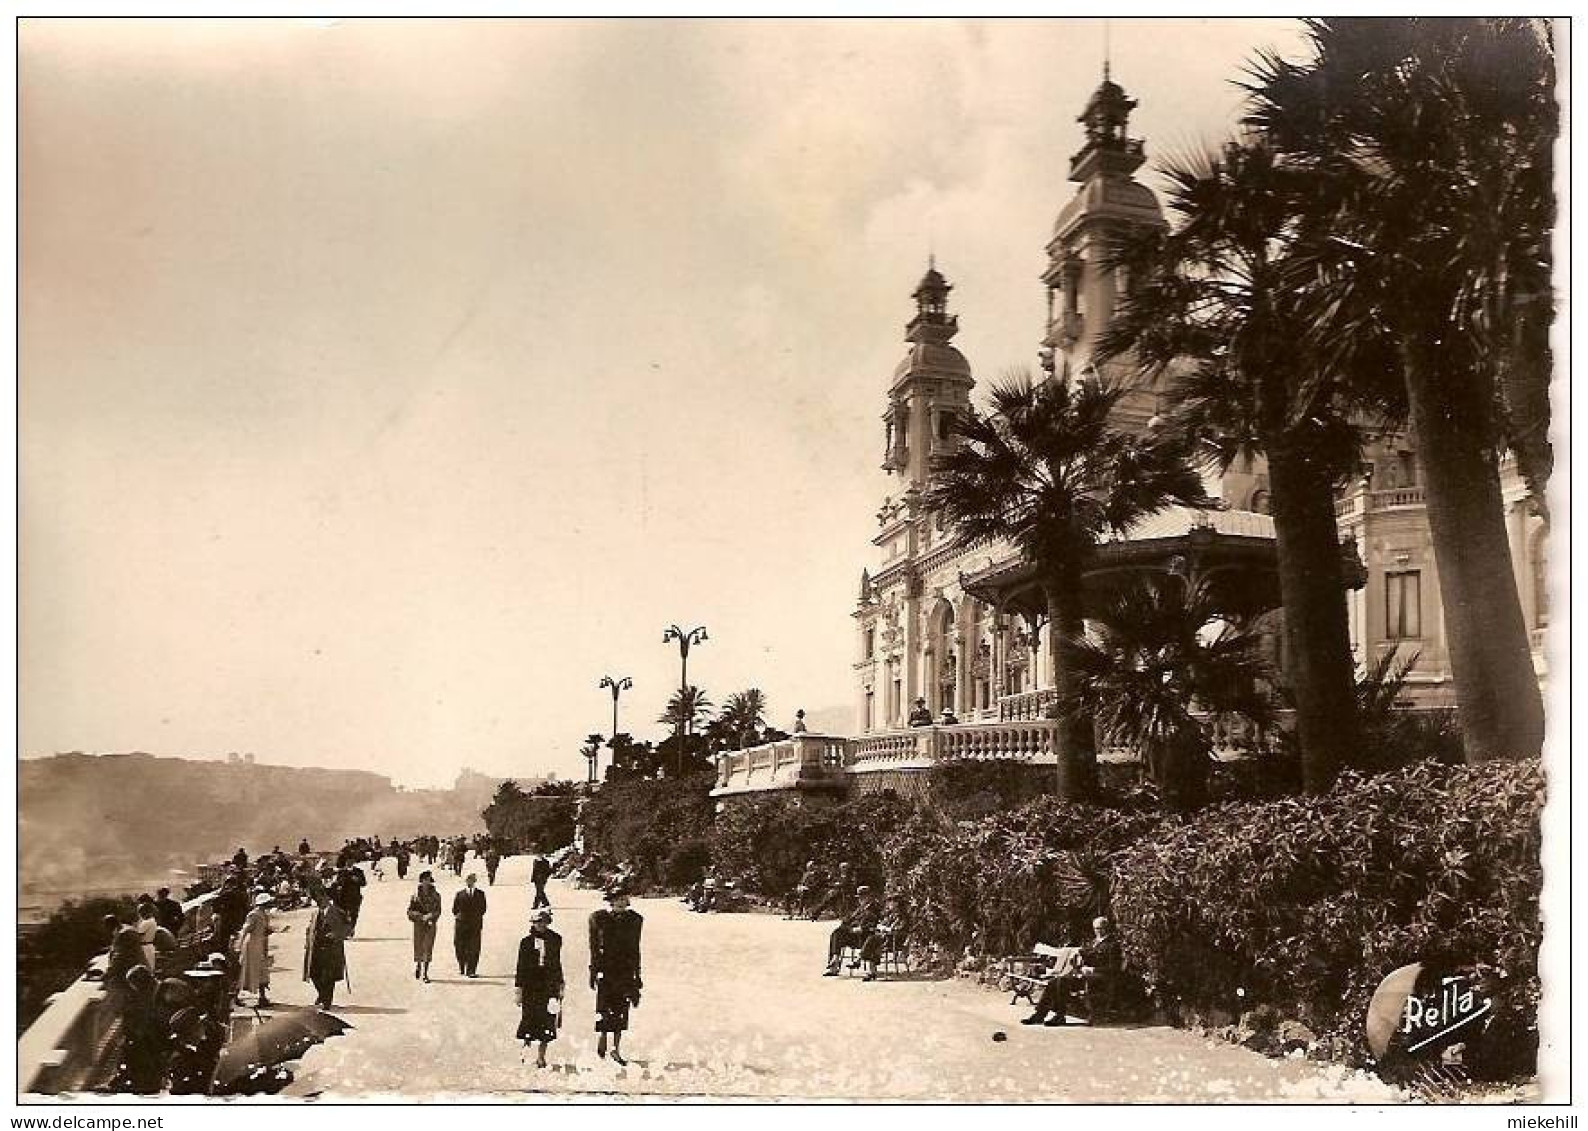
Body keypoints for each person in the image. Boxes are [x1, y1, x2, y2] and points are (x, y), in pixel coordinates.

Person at [1021, 916, 1123, 1027]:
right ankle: (1039, 1014)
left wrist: (1093, 969)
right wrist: (1078, 953)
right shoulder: (1094, 942)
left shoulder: (1112, 945)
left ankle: (1060, 1016)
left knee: (1062, 981)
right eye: (1095, 928)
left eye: (1100, 928)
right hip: (1084, 977)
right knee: (1054, 982)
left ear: (1106, 928)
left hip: (1099, 979)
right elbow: (1085, 952)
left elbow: (1114, 968)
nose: (1097, 931)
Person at [588, 884, 643, 1064]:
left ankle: (615, 1049)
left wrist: (637, 974)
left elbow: (635, 948)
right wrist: (593, 970)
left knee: (621, 1010)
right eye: (617, 899)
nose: (621, 902)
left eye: (623, 899)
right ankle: (602, 1040)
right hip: (606, 968)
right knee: (604, 1007)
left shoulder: (635, 920)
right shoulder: (598, 919)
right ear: (610, 902)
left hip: (625, 970)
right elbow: (594, 947)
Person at [515, 907, 565, 1068]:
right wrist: (519, 989)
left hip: (548, 984)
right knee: (529, 1018)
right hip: (531, 985)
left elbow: (557, 963)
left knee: (547, 1020)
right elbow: (521, 966)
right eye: (537, 922)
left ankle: (541, 1057)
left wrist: (560, 983)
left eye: (543, 922)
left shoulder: (555, 939)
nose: (541, 925)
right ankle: (525, 1053)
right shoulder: (526, 942)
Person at [116, 965, 166, 1094]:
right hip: (157, 1035)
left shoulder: (156, 994)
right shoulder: (152, 991)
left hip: (160, 1038)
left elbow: (152, 1021)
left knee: (133, 1047)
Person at [303, 890, 351, 1009]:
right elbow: (309, 929)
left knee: (328, 977)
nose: (318, 901)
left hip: (331, 949)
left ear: (327, 898)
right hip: (316, 949)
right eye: (317, 900)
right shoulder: (315, 913)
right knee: (314, 974)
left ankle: (327, 1002)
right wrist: (307, 942)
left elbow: (348, 928)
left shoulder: (337, 912)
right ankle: (322, 994)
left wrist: (336, 934)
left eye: (320, 899)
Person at [823, 885, 882, 976]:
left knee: (871, 936)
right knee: (837, 932)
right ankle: (835, 961)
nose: (860, 900)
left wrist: (861, 929)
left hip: (866, 937)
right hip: (855, 936)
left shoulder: (875, 908)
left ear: (869, 897)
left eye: (862, 897)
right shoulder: (860, 909)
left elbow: (875, 925)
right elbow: (849, 919)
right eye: (859, 898)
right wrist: (847, 925)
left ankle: (859, 963)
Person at [236, 892, 277, 1008]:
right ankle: (236, 996)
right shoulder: (253, 915)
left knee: (262, 971)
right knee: (249, 971)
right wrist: (239, 946)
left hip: (259, 943)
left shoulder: (263, 915)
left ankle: (262, 997)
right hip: (252, 946)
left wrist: (267, 930)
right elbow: (246, 930)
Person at [408, 871, 442, 982]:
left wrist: (431, 916)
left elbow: (438, 910)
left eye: (429, 880)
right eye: (425, 880)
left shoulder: (436, 895)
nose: (427, 882)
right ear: (421, 881)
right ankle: (418, 964)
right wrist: (419, 916)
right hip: (418, 924)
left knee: (428, 947)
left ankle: (425, 973)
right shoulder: (415, 896)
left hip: (430, 924)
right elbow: (409, 911)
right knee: (419, 946)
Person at [452, 873, 488, 977]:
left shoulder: (480, 894)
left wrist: (475, 917)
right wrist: (460, 916)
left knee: (474, 947)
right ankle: (462, 966)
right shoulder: (459, 894)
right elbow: (454, 909)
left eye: (472, 880)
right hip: (461, 925)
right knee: (459, 946)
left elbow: (483, 908)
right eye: (468, 880)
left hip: (475, 924)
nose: (470, 882)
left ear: (475, 881)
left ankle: (471, 970)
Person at [333, 866, 366, 934]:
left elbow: (364, 883)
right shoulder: (341, 872)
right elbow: (337, 883)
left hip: (354, 897)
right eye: (347, 860)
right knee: (343, 914)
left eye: (351, 860)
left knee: (353, 914)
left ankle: (351, 929)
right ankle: (345, 930)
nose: (349, 862)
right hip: (343, 897)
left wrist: (357, 880)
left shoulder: (358, 871)